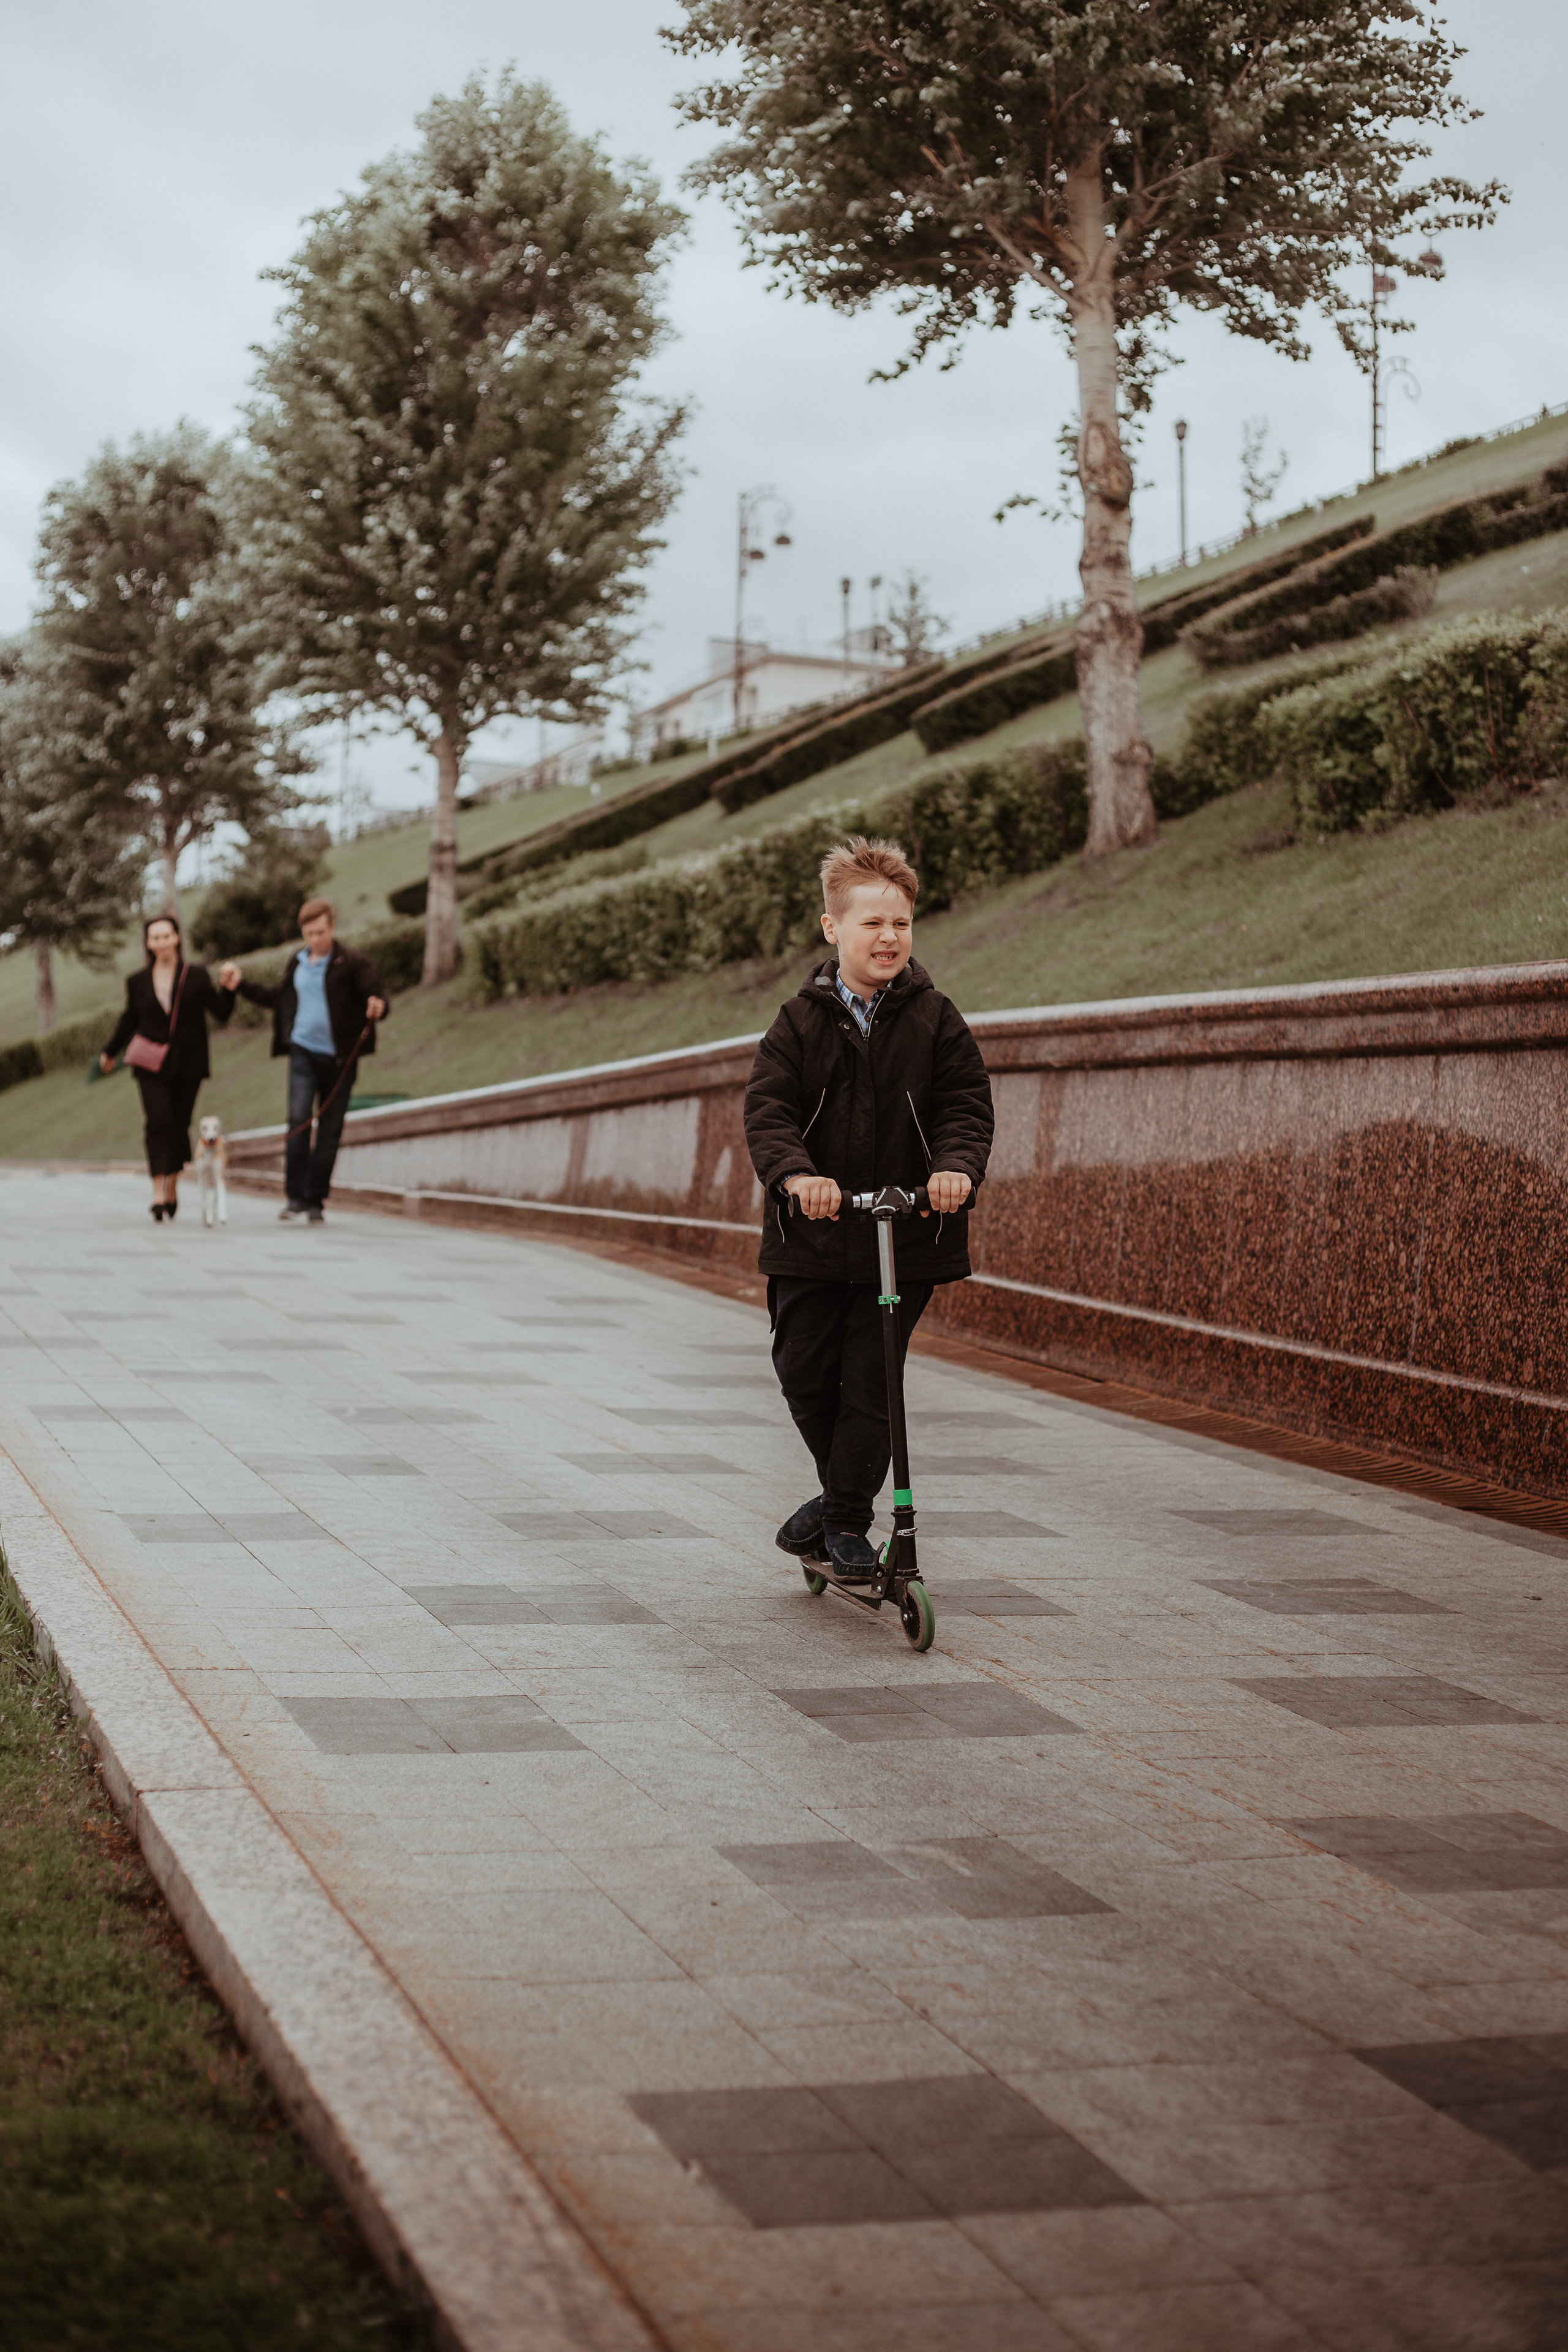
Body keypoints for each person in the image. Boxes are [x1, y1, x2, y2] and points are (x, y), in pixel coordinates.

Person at [743, 835, 994, 1579]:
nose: (889, 938)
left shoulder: (935, 1018)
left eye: (901, 925)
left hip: (903, 1231)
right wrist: (796, 1177)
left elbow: (965, 1108)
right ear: (833, 930)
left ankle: (846, 1522)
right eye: (871, 924)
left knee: (871, 1381)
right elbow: (768, 1112)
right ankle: (837, 1496)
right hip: (813, 1234)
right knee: (803, 1369)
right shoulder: (798, 1021)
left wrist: (954, 1170)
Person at [219, 898, 390, 1226]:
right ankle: (294, 1197)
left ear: (332, 927)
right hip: (303, 1053)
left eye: (321, 932)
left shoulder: (354, 962)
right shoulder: (297, 963)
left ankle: (315, 1200)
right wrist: (239, 986)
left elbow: (378, 997)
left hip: (341, 1059)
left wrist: (377, 1006)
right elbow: (277, 999)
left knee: (330, 1129)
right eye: (309, 933)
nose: (315, 939)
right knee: (298, 1118)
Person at [101, 914, 237, 1223]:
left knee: (178, 1124)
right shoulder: (137, 981)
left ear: (177, 938)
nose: (161, 942)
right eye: (155, 938)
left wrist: (229, 989)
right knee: (158, 1120)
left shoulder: (197, 975)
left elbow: (221, 1013)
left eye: (166, 936)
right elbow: (129, 1019)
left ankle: (173, 1181)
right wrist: (110, 1052)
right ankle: (158, 1190)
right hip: (150, 1064)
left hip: (189, 1064)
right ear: (148, 944)